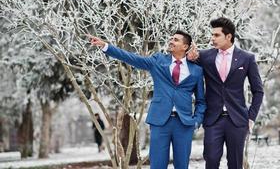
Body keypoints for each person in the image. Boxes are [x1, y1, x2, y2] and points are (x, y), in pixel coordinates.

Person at [88, 30, 206, 169]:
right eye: (171, 38)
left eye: (176, 40)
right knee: (157, 165)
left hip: (184, 123)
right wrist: (106, 46)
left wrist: (197, 120)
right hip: (159, 122)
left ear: (185, 46)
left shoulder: (196, 70)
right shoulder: (158, 61)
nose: (171, 41)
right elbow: (132, 58)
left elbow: (201, 100)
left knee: (182, 166)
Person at [187, 17, 264, 169]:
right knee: (211, 160)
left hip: (237, 120)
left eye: (216, 35)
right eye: (212, 35)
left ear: (228, 36)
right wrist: (190, 58)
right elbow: (186, 68)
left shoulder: (247, 58)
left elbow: (258, 91)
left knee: (235, 164)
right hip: (213, 120)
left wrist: (251, 117)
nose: (212, 39)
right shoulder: (204, 56)